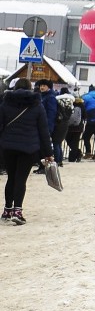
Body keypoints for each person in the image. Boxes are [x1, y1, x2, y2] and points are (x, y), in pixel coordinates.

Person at [1, 78, 54, 225]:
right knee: (21, 179)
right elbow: (43, 131)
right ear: (31, 88)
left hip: (8, 147)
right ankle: (17, 211)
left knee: (11, 177)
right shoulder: (37, 104)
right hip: (28, 147)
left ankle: (7, 210)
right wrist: (48, 153)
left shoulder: (6, 103)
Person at [33, 79, 58, 174]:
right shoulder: (42, 96)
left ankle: (44, 167)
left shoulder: (50, 97)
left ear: (48, 87)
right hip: (40, 126)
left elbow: (51, 113)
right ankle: (41, 166)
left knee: (44, 148)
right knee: (40, 147)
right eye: (41, 85)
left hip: (46, 126)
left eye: (44, 85)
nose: (42, 87)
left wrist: (48, 127)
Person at [53, 87, 75, 166]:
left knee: (55, 143)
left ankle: (57, 160)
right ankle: (60, 160)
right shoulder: (71, 101)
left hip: (58, 123)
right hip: (66, 123)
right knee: (59, 143)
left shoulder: (57, 100)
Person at [65, 96, 85, 162]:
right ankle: (77, 153)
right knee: (75, 142)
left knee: (69, 141)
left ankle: (73, 156)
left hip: (72, 127)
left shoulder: (74, 108)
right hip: (79, 128)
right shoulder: (82, 108)